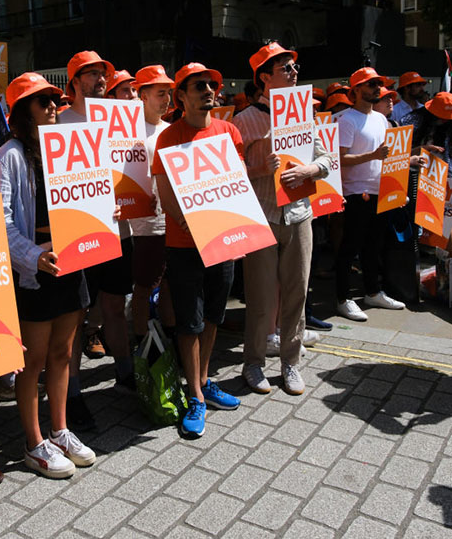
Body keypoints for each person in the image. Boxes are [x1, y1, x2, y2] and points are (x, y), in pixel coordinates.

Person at [0, 72, 96, 478]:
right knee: (32, 361)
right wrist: (33, 256)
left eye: (55, 100)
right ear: (22, 111)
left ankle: (60, 430)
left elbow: (87, 197)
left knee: (63, 353)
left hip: (70, 263)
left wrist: (103, 215)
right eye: (43, 101)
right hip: (35, 271)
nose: (53, 107)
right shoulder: (8, 156)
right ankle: (34, 444)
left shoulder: (66, 147)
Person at [234, 43, 334, 396]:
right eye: (286, 68)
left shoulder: (302, 113)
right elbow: (231, 174)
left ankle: (290, 362)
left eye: (294, 67)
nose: (294, 73)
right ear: (265, 77)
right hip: (261, 217)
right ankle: (253, 363)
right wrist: (260, 169)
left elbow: (326, 159)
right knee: (260, 297)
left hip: (299, 214)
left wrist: (308, 170)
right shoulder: (244, 120)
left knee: (296, 293)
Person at [151, 62, 243, 438]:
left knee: (214, 315)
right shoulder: (168, 137)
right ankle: (195, 396)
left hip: (222, 239)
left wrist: (240, 229)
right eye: (199, 86)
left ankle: (202, 381)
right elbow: (165, 193)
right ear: (182, 96)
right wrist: (187, 220)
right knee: (190, 321)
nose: (208, 90)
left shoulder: (229, 132)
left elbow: (236, 185)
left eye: (211, 85)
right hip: (184, 244)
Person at [59, 50, 134, 425]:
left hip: (119, 231)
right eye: (91, 74)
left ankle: (126, 375)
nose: (101, 79)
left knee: (115, 308)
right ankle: (71, 395)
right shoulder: (58, 123)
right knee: (75, 317)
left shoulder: (121, 118)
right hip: (79, 234)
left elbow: (132, 170)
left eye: (103, 73)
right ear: (74, 82)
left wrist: (129, 198)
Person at [335, 67, 406, 321]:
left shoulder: (380, 119)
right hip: (356, 191)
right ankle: (343, 299)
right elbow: (340, 159)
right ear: (356, 90)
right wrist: (373, 155)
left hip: (380, 190)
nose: (378, 88)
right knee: (350, 246)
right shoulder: (347, 120)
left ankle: (373, 292)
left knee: (374, 245)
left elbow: (389, 156)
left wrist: (398, 184)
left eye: (378, 83)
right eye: (371, 84)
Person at [128, 65, 175, 344]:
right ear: (142, 96)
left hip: (173, 221)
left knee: (169, 283)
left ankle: (168, 337)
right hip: (144, 224)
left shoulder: (171, 131)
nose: (166, 99)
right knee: (145, 285)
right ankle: (141, 341)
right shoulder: (128, 132)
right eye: (160, 93)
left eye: (168, 93)